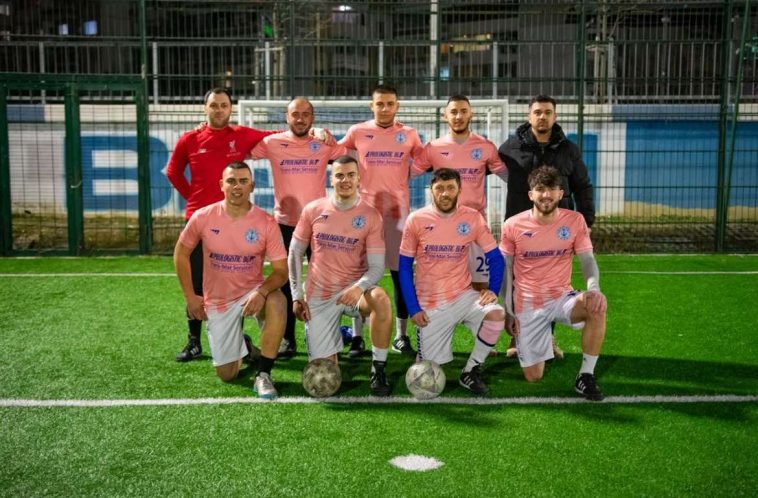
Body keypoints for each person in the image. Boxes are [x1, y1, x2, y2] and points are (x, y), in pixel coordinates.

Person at [166, 88, 328, 362]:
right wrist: (193, 198)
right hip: (201, 219)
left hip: (236, 220)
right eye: (214, 105)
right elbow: (173, 171)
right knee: (196, 281)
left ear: (231, 108)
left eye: (224, 105)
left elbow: (280, 135)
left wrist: (314, 131)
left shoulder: (242, 135)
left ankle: (248, 336)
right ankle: (194, 340)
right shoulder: (189, 139)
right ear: (205, 109)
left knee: (235, 276)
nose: (219, 110)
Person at [173, 162, 289, 399]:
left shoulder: (266, 222)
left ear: (252, 186)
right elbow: (181, 254)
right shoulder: (203, 217)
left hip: (251, 292)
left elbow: (281, 271)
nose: (237, 187)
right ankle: (245, 347)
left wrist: (262, 292)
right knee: (227, 374)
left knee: (278, 300)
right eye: (232, 181)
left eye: (243, 181)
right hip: (218, 299)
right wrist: (190, 298)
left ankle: (263, 374)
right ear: (221, 185)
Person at [498, 94, 595, 359]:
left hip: (557, 229)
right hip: (521, 228)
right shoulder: (509, 148)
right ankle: (518, 334)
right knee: (517, 281)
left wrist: (586, 221)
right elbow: (485, 167)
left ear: (555, 116)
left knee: (552, 285)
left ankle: (548, 338)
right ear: (529, 116)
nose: (542, 117)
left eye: (548, 112)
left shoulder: (569, 150)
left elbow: (583, 186)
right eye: (538, 112)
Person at [250, 97, 348, 359]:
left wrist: (330, 139)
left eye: (306, 114)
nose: (301, 119)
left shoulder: (323, 143)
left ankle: (326, 337)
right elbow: (242, 148)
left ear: (312, 118)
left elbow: (351, 155)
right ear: (287, 117)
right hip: (284, 224)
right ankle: (287, 339)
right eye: (295, 114)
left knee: (323, 282)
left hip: (319, 225)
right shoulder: (272, 143)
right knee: (284, 282)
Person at [499, 166, 607, 401]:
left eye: (551, 189)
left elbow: (587, 259)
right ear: (531, 195)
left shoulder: (575, 221)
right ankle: (543, 338)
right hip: (528, 303)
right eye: (540, 189)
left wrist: (594, 289)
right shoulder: (512, 225)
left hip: (561, 297)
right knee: (534, 376)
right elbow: (505, 271)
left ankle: (585, 376)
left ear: (560, 193)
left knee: (597, 306)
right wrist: (508, 311)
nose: (546, 195)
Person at [288, 156, 392, 395]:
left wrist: (358, 287)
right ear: (331, 179)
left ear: (359, 179)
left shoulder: (371, 215)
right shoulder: (313, 210)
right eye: (339, 175)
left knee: (381, 299)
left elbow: (377, 267)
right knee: (325, 381)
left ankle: (378, 368)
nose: (345, 180)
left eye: (351, 175)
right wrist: (296, 295)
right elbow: (294, 253)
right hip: (320, 296)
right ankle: (336, 334)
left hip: (354, 293)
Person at [398, 168, 506, 395]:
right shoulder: (416, 220)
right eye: (439, 188)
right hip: (431, 304)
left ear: (459, 190)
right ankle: (425, 354)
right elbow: (405, 267)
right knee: (426, 383)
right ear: (431, 190)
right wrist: (413, 308)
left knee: (496, 314)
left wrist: (493, 290)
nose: (445, 193)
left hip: (464, 296)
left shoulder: (472, 217)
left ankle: (471, 370)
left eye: (450, 188)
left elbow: (496, 258)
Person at [339, 83, 424, 358]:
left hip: (398, 216)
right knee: (358, 273)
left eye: (390, 104)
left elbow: (423, 161)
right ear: (371, 106)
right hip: (364, 215)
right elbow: (338, 155)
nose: (385, 108)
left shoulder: (409, 135)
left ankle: (401, 336)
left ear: (397, 106)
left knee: (401, 274)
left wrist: (403, 179)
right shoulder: (357, 132)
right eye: (380, 104)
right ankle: (357, 337)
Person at [413, 94, 508, 290]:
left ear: (471, 114)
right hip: (443, 225)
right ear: (445, 116)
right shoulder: (433, 148)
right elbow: (406, 175)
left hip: (476, 225)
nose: (458, 116)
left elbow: (508, 177)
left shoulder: (485, 147)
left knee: (482, 284)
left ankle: (485, 310)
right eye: (454, 112)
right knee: (440, 285)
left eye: (463, 111)